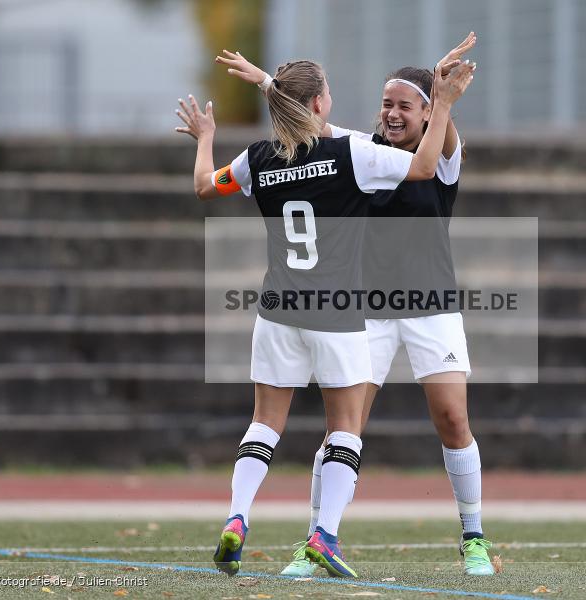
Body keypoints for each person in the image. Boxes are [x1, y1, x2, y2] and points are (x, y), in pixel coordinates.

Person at [175, 55, 475, 578]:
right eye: (329, 92)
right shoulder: (352, 154)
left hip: (283, 310)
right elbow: (419, 166)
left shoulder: (259, 157)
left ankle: (238, 516)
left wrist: (209, 135)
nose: (390, 112)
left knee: (265, 423)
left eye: (404, 105)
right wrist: (444, 101)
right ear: (320, 102)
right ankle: (322, 537)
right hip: (341, 311)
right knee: (344, 430)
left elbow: (206, 185)